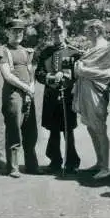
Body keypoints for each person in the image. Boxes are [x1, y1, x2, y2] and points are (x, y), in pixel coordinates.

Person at [35, 17, 82, 174]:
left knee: (68, 130)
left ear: (65, 32)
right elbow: (38, 73)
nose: (57, 34)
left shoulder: (75, 52)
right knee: (53, 130)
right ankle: (55, 161)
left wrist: (68, 76)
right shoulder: (45, 53)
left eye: (60, 31)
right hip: (50, 96)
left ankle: (72, 162)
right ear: (51, 34)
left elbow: (79, 74)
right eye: (54, 32)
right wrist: (48, 78)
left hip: (68, 97)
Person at [72, 19, 110, 179]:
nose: (86, 33)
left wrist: (84, 70)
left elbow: (108, 73)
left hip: (97, 92)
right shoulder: (92, 48)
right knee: (90, 127)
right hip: (85, 91)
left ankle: (106, 167)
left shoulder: (107, 48)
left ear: (96, 30)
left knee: (99, 128)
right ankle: (99, 162)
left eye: (88, 31)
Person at [0, 18, 39, 178]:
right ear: (7, 32)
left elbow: (31, 72)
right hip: (13, 94)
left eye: (20, 31)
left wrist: (32, 87)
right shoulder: (3, 50)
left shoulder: (25, 51)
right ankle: (13, 167)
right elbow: (7, 75)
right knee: (14, 129)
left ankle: (32, 166)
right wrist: (26, 87)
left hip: (28, 93)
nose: (17, 34)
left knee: (30, 130)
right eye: (14, 31)